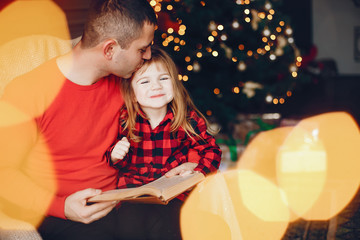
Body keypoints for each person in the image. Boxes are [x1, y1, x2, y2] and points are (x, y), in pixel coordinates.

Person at [0, 0, 157, 239]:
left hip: (123, 203)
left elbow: (164, 125)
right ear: (109, 50)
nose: (147, 56)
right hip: (66, 214)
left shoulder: (128, 80)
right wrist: (62, 207)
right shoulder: (28, 91)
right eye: (142, 49)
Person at [104, 45, 222, 239]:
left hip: (173, 195)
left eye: (164, 78)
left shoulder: (187, 120)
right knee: (128, 228)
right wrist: (115, 155)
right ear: (133, 95)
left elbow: (212, 151)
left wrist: (198, 172)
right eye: (144, 82)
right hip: (135, 196)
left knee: (171, 227)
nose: (156, 86)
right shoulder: (126, 122)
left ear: (174, 84)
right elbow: (116, 160)